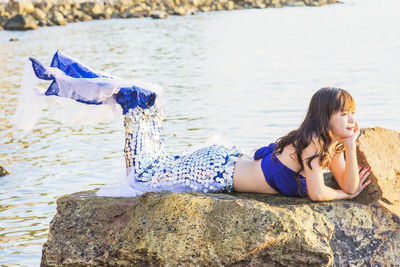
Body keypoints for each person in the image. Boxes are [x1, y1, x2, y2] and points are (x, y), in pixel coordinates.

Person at [17, 51, 372, 201]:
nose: (351, 119)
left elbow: (348, 182)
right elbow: (322, 193)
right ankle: (125, 98)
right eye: (344, 114)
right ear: (324, 117)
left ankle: (77, 79)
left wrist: (352, 144)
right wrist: (346, 195)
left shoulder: (328, 146)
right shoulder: (312, 145)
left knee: (148, 153)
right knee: (141, 177)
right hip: (212, 172)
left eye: (352, 112)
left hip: (223, 162)